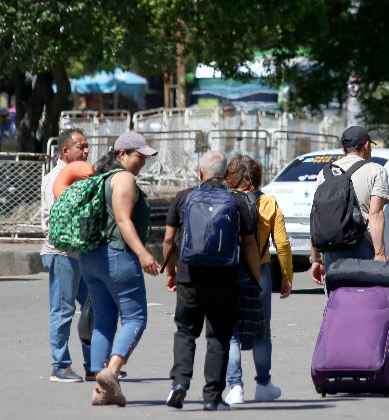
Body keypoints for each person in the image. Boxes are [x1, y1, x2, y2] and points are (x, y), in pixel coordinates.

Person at [163, 151, 263, 412]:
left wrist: (171, 271)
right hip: (225, 278)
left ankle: (179, 384)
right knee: (218, 336)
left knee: (185, 331)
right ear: (226, 175)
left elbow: (168, 241)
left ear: (200, 172)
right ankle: (212, 397)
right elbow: (250, 244)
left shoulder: (184, 198)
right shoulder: (237, 201)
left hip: (189, 277)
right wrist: (256, 276)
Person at [81, 131, 160, 406]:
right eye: (139, 156)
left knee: (103, 320)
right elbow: (124, 220)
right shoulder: (123, 178)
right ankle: (110, 374)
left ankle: (100, 388)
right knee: (136, 319)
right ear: (122, 154)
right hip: (118, 256)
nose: (143, 163)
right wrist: (143, 254)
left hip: (91, 258)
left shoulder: (101, 177)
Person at [223, 154, 293, 404]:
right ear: (257, 177)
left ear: (230, 176)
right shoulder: (269, 202)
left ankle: (235, 388)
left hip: (228, 271)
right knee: (262, 331)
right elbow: (282, 244)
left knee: (230, 332)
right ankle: (263, 384)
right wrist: (286, 276)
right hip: (260, 271)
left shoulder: (224, 200)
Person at [309, 126, 389, 284]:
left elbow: (316, 216)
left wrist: (315, 259)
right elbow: (375, 214)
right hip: (363, 243)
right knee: (364, 297)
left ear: (343, 149)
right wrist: (379, 253)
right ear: (366, 145)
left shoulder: (325, 173)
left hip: (332, 245)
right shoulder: (376, 170)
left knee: (338, 299)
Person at [40, 128, 91, 382]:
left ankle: (94, 364)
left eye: (87, 145)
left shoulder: (79, 177)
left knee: (93, 306)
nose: (86, 150)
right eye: (81, 146)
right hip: (62, 253)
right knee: (63, 311)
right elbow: (62, 218)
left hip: (79, 254)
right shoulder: (56, 179)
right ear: (65, 150)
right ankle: (59, 366)